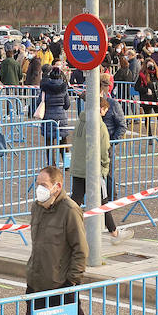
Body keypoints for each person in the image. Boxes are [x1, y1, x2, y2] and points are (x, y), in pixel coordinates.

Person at [5, 166, 98, 315]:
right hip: (37, 280)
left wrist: (72, 282)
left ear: (57, 187)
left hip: (61, 283)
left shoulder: (70, 210)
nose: (39, 189)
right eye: (38, 184)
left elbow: (80, 250)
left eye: (44, 185)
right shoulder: (36, 208)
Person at [69, 96, 133, 243]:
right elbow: (105, 150)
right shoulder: (100, 125)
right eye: (105, 110)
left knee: (75, 200)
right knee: (103, 202)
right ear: (101, 109)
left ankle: (63, 227)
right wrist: (105, 167)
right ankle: (114, 233)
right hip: (93, 169)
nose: (105, 113)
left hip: (78, 167)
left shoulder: (80, 121)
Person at [37, 65, 71, 143]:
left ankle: (50, 155)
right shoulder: (63, 88)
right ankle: (63, 154)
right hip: (61, 116)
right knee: (63, 139)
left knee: (49, 140)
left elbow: (39, 102)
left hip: (48, 116)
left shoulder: (45, 88)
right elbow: (67, 104)